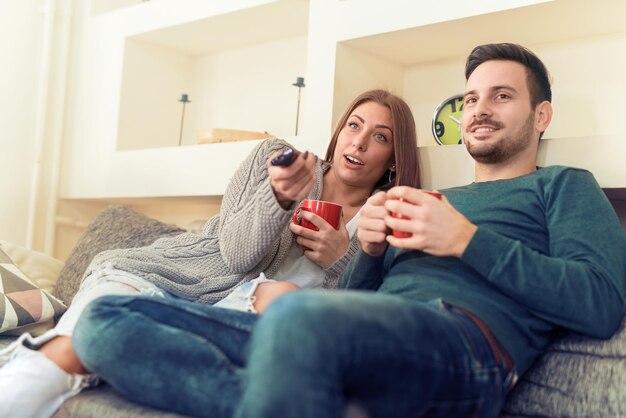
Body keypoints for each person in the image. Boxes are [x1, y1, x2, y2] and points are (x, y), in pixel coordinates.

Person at [71, 42, 625, 418]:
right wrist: (369, 248)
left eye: (502, 96)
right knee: (104, 322)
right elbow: (358, 300)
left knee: (294, 315)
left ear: (542, 116)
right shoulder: (433, 199)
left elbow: (599, 302)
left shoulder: (563, 186)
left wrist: (465, 240)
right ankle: (306, 398)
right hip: (345, 338)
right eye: (472, 98)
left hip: (464, 350)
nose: (479, 109)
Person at [0, 89, 420, 418]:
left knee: (83, 352)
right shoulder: (275, 160)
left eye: (379, 137)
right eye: (354, 126)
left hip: (233, 319)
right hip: (162, 276)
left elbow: (363, 323)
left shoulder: (385, 219)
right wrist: (276, 196)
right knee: (72, 347)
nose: (360, 142)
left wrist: (341, 259)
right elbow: (236, 254)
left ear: (394, 159)